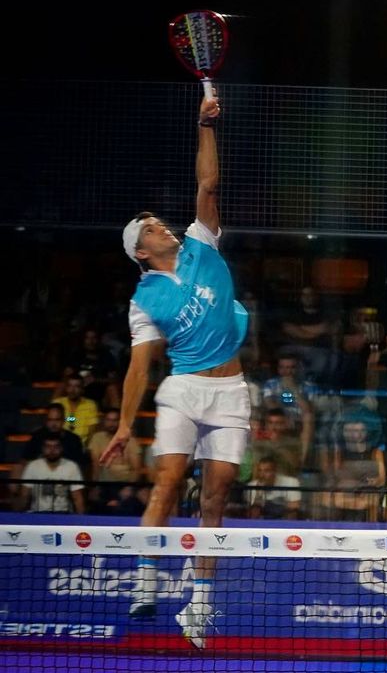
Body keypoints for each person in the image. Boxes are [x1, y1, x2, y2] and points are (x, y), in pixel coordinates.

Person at [98, 94, 250, 649]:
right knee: (167, 480)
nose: (161, 226)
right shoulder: (145, 299)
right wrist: (123, 425)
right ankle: (146, 579)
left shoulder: (203, 245)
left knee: (217, 494)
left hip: (231, 389)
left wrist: (205, 125)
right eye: (151, 228)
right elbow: (139, 368)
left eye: (160, 222)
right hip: (182, 389)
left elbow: (208, 185)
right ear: (140, 251)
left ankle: (199, 603)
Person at [17, 433, 86, 513]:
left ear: (61, 448)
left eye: (56, 447)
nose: (52, 450)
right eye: (48, 446)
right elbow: (24, 496)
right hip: (37, 513)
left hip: (63, 513)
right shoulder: (33, 466)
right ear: (43, 449)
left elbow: (77, 498)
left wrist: (81, 519)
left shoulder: (71, 466)